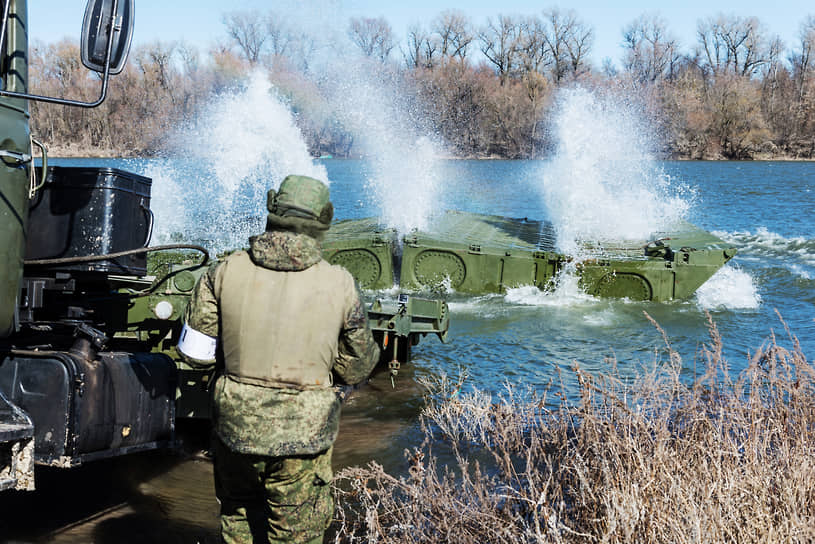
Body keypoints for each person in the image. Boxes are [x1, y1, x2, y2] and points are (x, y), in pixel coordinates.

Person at [177, 174, 380, 543]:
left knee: (238, 524)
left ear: (272, 209)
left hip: (235, 430)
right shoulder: (341, 284)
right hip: (304, 439)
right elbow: (358, 366)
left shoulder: (222, 271)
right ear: (325, 220)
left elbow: (194, 353)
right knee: (296, 535)